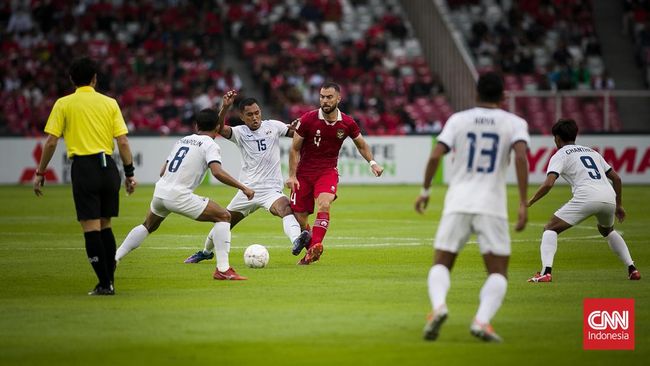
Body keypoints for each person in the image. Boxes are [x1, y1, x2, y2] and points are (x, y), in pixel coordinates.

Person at [415, 72, 529, 342]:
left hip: (458, 201)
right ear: (503, 96)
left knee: (442, 261)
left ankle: (439, 306)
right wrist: (523, 202)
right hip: (492, 204)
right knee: (498, 271)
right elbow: (522, 157)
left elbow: (435, 155)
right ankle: (481, 321)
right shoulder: (515, 123)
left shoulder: (458, 120)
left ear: (475, 94)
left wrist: (425, 190)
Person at [33, 57, 137, 296]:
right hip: (108, 166)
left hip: (84, 167)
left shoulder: (63, 103)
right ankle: (109, 280)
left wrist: (40, 172)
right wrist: (129, 174)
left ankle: (105, 284)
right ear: (94, 78)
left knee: (91, 228)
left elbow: (50, 142)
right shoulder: (110, 103)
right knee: (106, 225)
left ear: (72, 80)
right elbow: (122, 140)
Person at [114, 108, 254, 281]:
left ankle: (115, 257)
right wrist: (244, 187)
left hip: (161, 192)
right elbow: (217, 172)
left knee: (147, 225)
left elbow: (162, 170)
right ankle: (223, 269)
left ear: (196, 126)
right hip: (178, 195)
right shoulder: (211, 144)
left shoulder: (183, 140)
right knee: (224, 216)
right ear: (218, 128)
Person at [184, 92, 311, 263]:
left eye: (257, 113)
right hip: (247, 191)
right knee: (224, 222)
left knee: (286, 210)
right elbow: (219, 129)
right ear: (242, 117)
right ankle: (206, 252)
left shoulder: (273, 126)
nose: (255, 117)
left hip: (271, 190)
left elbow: (296, 134)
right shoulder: (239, 132)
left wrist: (298, 127)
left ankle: (296, 240)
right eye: (250, 114)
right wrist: (226, 107)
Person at [527, 119, 641, 283]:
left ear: (557, 138)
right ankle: (632, 269)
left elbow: (549, 183)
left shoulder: (560, 154)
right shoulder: (592, 152)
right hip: (609, 196)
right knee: (607, 231)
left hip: (587, 196)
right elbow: (616, 178)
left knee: (550, 229)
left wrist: (530, 201)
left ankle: (546, 272)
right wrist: (619, 205)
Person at [285, 82, 384, 265]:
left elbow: (361, 144)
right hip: (303, 173)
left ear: (339, 98)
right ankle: (312, 251)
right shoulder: (308, 119)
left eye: (329, 97)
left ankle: (315, 247)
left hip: (327, 171)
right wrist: (292, 175)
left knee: (324, 203)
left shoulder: (347, 123)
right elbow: (294, 149)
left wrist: (373, 163)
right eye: (322, 96)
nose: (325, 100)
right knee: (300, 219)